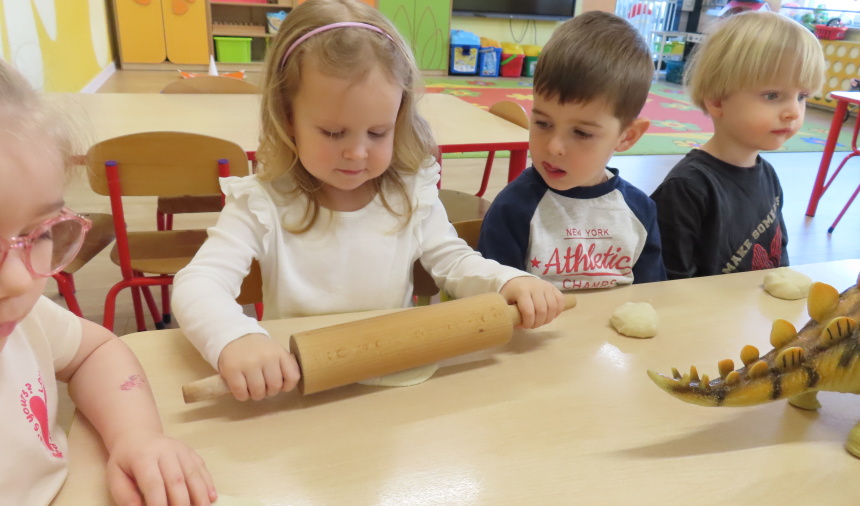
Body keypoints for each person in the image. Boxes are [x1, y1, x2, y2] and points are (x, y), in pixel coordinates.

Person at [172, 0, 565, 402]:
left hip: (389, 385)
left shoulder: (409, 193)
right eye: (333, 132)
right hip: (297, 392)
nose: (357, 153)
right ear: (287, 116)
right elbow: (197, 283)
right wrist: (235, 338)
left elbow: (454, 262)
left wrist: (506, 280)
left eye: (378, 132)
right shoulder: (261, 202)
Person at [0, 60, 216, 505]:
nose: (19, 280)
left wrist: (136, 436)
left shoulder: (26, 321)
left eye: (40, 233)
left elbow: (94, 352)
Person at [477, 11, 666, 291]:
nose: (553, 146)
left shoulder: (640, 211)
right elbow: (493, 300)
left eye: (581, 133)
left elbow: (653, 297)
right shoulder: (512, 209)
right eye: (543, 123)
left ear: (627, 136)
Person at [650, 11, 825, 279]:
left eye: (801, 96)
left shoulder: (768, 175)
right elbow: (668, 282)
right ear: (717, 101)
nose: (793, 111)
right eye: (772, 95)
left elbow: (778, 256)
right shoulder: (687, 188)